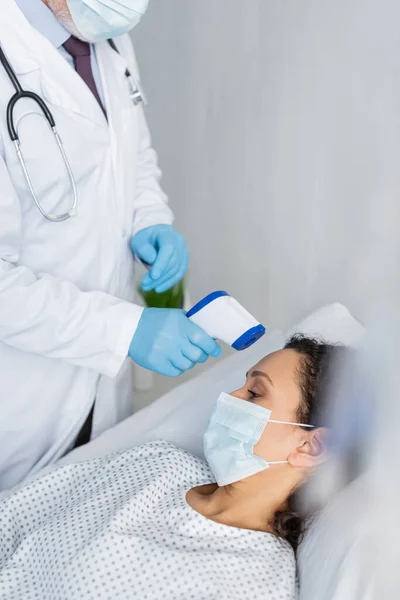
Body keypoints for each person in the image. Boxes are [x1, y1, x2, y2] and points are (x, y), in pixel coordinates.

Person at [0, 0, 221, 491]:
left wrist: (152, 221)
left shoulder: (107, 37)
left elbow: (134, 158)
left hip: (102, 395)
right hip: (18, 403)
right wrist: (125, 331)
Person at [0, 335, 343, 599]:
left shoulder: (255, 581)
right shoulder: (160, 463)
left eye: (255, 393)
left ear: (311, 446)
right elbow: (13, 515)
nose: (230, 397)